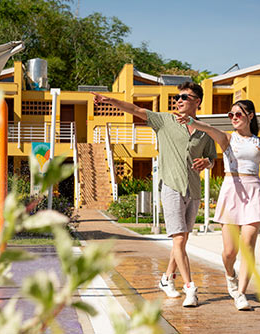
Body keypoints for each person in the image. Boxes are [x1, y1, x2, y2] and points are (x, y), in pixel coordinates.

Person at [92, 81, 217, 307]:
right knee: (179, 238)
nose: (178, 100)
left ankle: (167, 279)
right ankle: (190, 288)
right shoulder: (164, 121)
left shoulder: (204, 130)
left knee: (182, 240)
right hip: (170, 186)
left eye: (184, 97)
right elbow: (136, 110)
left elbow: (212, 158)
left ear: (197, 102)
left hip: (193, 189)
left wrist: (207, 161)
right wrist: (110, 101)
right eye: (177, 97)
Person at [175, 99, 260, 310]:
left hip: (254, 191)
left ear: (250, 116)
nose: (234, 118)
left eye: (238, 114)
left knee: (248, 245)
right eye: (231, 115)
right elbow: (209, 128)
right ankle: (230, 275)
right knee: (229, 252)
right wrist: (191, 121)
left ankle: (241, 294)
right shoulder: (227, 138)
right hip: (231, 191)